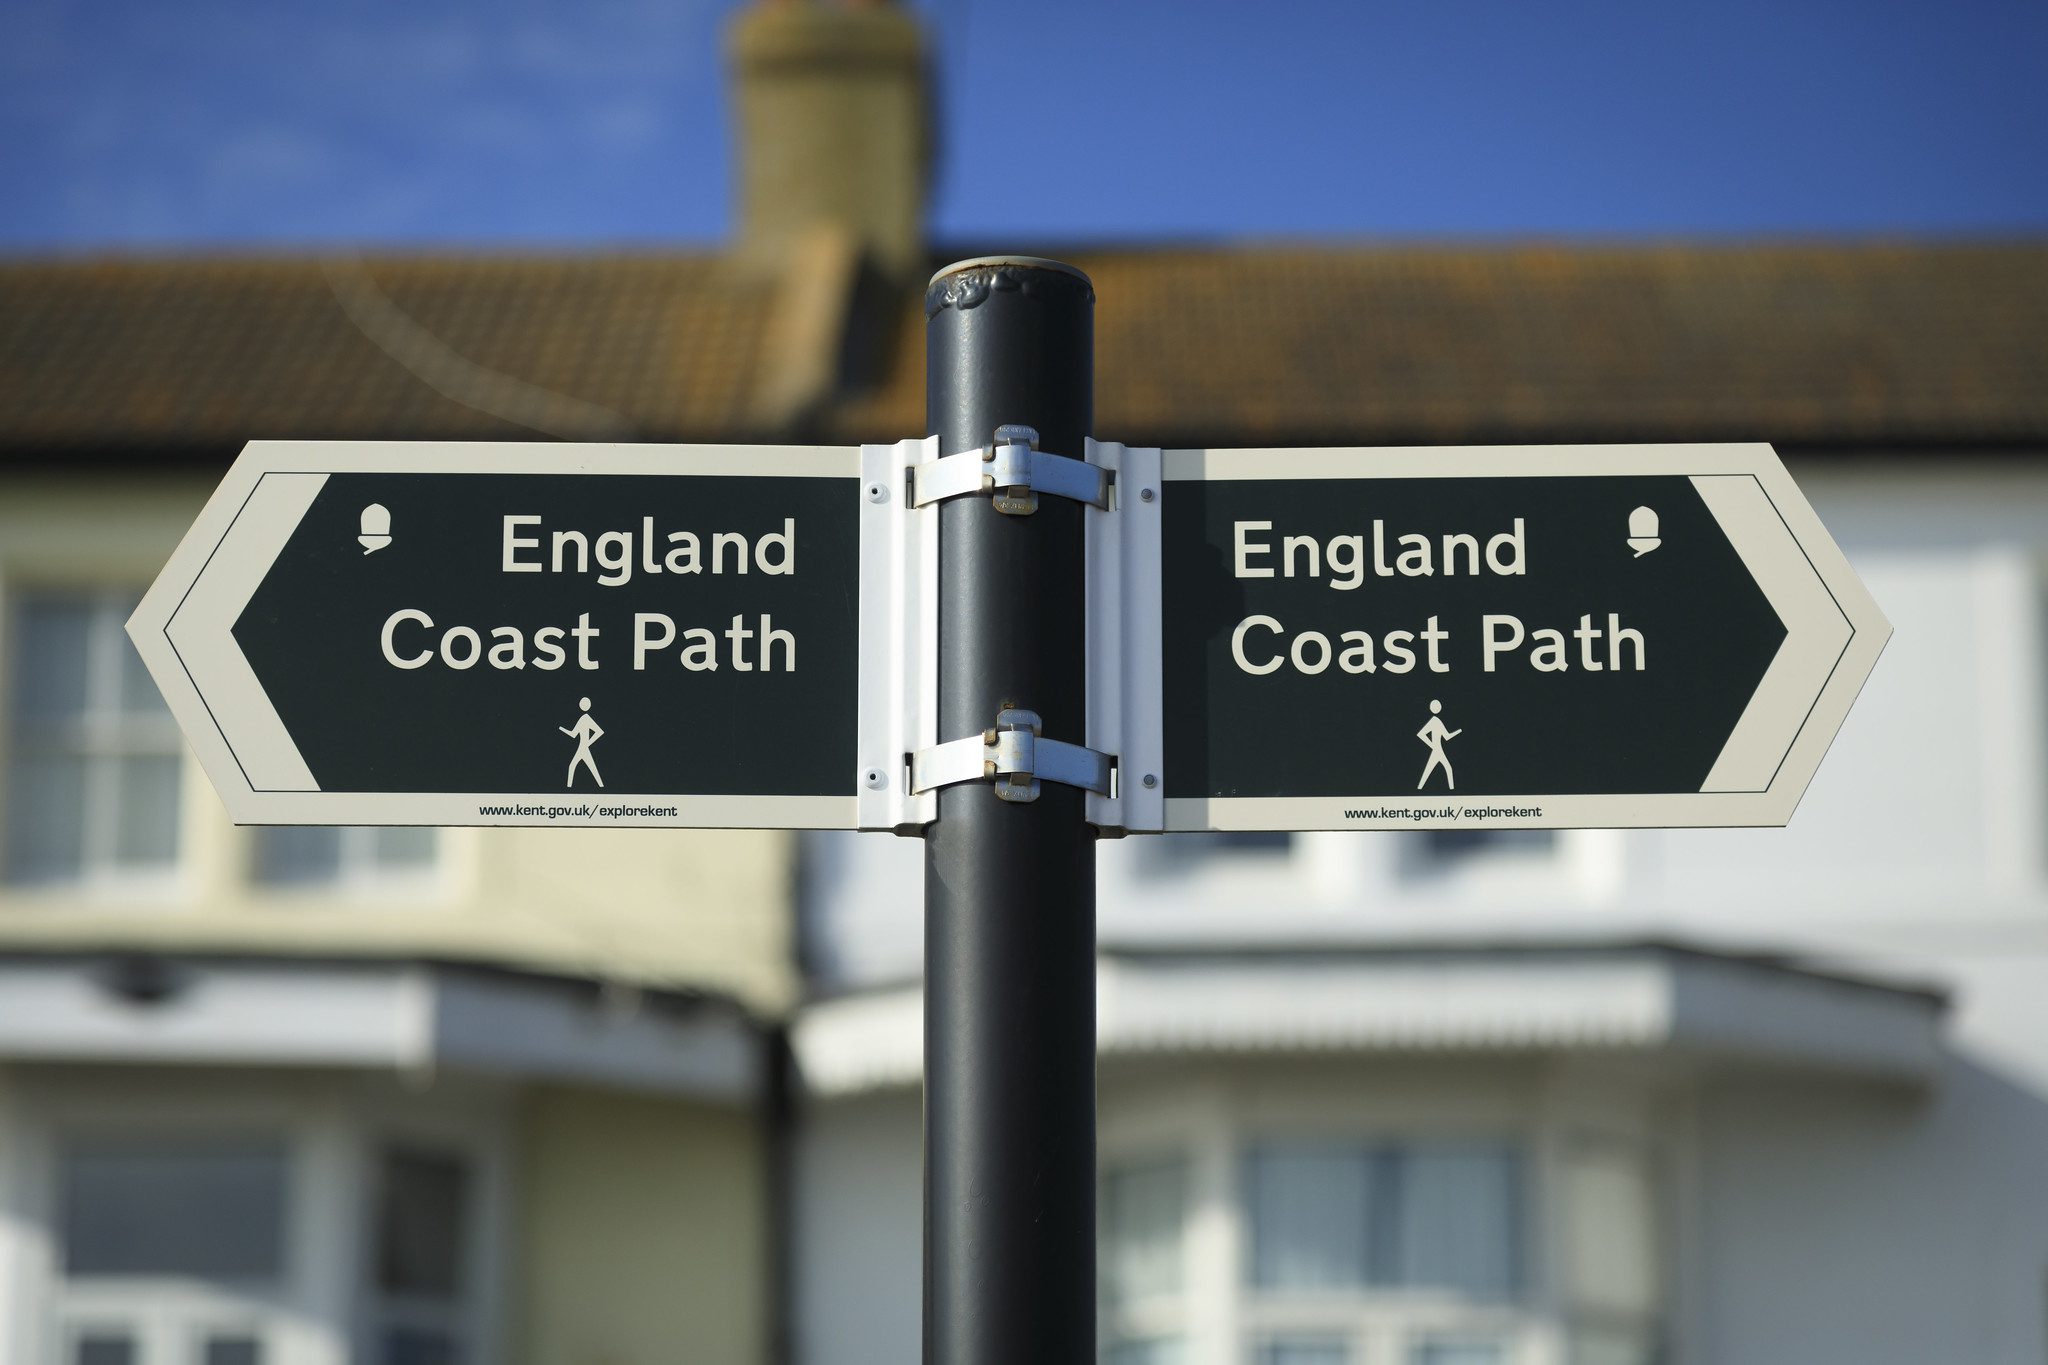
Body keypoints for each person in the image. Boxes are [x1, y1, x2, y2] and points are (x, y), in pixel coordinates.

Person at [1416, 699, 1461, 791]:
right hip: (1437, 750)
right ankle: (1451, 790)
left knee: (1443, 769)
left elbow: (1447, 737)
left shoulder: (1438, 721)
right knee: (1445, 768)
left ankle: (1420, 787)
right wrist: (1432, 745)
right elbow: (1421, 734)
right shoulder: (1434, 720)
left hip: (1438, 750)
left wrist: (1458, 731)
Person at [560, 697, 605, 789]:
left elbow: (599, 731)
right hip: (582, 747)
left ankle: (569, 788)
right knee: (588, 767)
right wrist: (562, 729)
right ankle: (601, 786)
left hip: (583, 747)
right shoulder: (582, 718)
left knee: (574, 766)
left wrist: (588, 743)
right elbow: (573, 734)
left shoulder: (586, 718)